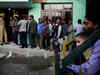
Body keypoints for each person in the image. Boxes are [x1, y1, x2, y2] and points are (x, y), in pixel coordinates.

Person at [66, 0, 100, 74]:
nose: (83, 26)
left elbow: (90, 69)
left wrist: (72, 67)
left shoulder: (98, 42)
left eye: (86, 24)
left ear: (96, 25)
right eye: (83, 23)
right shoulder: (92, 39)